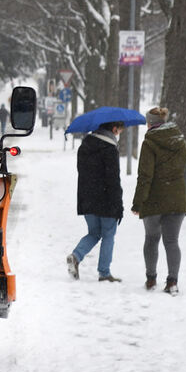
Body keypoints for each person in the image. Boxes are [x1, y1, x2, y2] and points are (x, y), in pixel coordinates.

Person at [130, 107, 186, 294]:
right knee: (172, 242)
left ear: (149, 123)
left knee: (151, 239)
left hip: (154, 199)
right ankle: (172, 282)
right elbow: (183, 168)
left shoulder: (149, 143)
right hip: (177, 199)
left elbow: (145, 176)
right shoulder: (180, 141)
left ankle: (151, 279)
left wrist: (138, 202)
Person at [67, 120, 124, 282]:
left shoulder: (85, 147)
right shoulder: (110, 149)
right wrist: (118, 206)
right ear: (114, 129)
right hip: (106, 200)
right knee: (108, 235)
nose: (119, 133)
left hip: (87, 198)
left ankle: (76, 256)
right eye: (120, 130)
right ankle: (104, 273)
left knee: (94, 233)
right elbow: (113, 180)